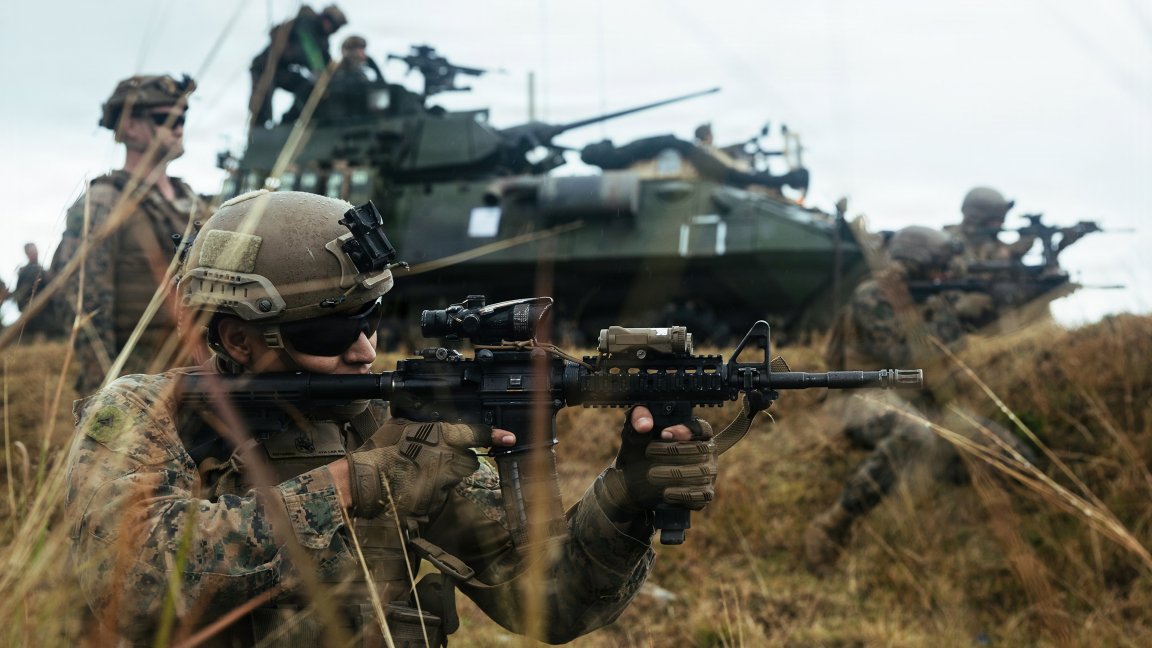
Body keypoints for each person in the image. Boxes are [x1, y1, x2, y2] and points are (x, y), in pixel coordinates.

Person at [65, 190, 719, 646]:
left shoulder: (389, 430)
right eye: (332, 332)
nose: (364, 350)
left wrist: (627, 499)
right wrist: (357, 487)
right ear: (239, 340)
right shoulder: (147, 414)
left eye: (373, 320)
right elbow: (135, 585)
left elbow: (550, 602)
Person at [805, 226, 1030, 574]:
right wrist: (950, 315)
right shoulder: (873, 297)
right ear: (916, 264)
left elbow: (948, 358)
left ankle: (997, 544)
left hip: (918, 400)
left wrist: (971, 307)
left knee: (1009, 452)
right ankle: (831, 526)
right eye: (938, 266)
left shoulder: (931, 298)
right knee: (916, 434)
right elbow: (904, 358)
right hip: (857, 397)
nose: (943, 273)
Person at [49, 73, 210, 395]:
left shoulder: (192, 201)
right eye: (165, 118)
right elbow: (86, 308)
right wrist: (107, 393)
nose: (178, 127)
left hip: (201, 374)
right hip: (138, 378)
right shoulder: (105, 201)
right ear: (129, 127)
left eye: (182, 118)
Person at [250, 4, 348, 127]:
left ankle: (287, 122)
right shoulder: (306, 24)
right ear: (324, 18)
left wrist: (336, 74)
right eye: (331, 23)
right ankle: (258, 133)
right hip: (264, 67)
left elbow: (325, 60)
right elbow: (308, 50)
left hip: (283, 71)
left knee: (306, 88)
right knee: (261, 101)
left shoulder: (321, 38)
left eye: (335, 27)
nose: (330, 28)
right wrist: (319, 72)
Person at [11, 242, 60, 340]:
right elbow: (20, 294)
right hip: (33, 315)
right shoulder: (25, 272)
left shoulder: (43, 271)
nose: (35, 253)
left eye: (35, 250)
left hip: (47, 314)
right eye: (32, 251)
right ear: (27, 254)